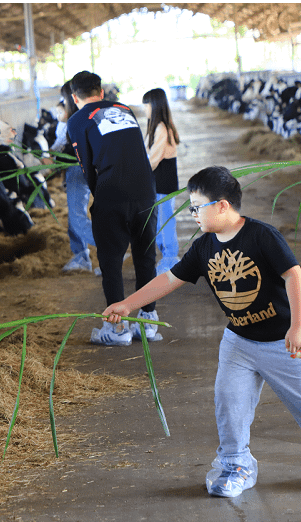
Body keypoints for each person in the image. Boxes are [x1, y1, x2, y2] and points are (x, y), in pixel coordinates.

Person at [102, 165, 301, 498]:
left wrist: (297, 325)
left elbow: (293, 275)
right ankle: (237, 464)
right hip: (238, 342)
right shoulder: (204, 246)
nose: (192, 213)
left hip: (283, 342)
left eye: (197, 206)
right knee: (229, 402)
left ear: (222, 205)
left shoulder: (261, 236)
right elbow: (170, 278)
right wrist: (128, 303)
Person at [66, 70, 160, 345]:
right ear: (101, 91)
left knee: (111, 261)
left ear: (74, 97)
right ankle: (148, 322)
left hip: (112, 191)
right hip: (145, 190)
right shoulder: (124, 109)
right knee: (145, 256)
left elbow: (87, 165)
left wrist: (100, 196)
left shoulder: (77, 120)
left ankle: (117, 330)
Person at [54, 81, 97, 273]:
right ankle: (80, 256)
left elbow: (75, 150)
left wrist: (53, 159)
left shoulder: (76, 120)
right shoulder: (73, 120)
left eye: (65, 98)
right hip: (74, 170)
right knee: (74, 217)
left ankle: (111, 248)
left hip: (77, 170)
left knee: (77, 217)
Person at [142, 88, 181, 275]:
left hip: (163, 183)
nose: (145, 109)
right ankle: (167, 258)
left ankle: (171, 260)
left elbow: (153, 159)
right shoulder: (158, 126)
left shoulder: (162, 128)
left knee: (165, 222)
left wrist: (136, 175)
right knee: (160, 222)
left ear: (155, 105)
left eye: (147, 105)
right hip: (160, 183)